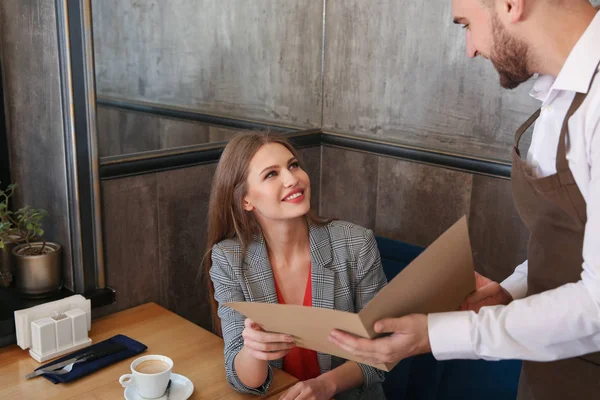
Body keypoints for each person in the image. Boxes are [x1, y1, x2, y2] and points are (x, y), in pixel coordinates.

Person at [327, 1, 600, 398]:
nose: (470, 48)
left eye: (467, 24)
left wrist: (435, 336)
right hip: (548, 377)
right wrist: (512, 288)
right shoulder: (559, 96)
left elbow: (596, 306)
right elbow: (572, 246)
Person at [204, 131, 388, 400]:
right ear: (246, 200)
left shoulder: (356, 244)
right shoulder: (228, 260)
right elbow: (243, 380)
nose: (292, 179)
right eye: (271, 174)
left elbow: (381, 352)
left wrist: (326, 385)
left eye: (293, 165)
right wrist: (254, 351)